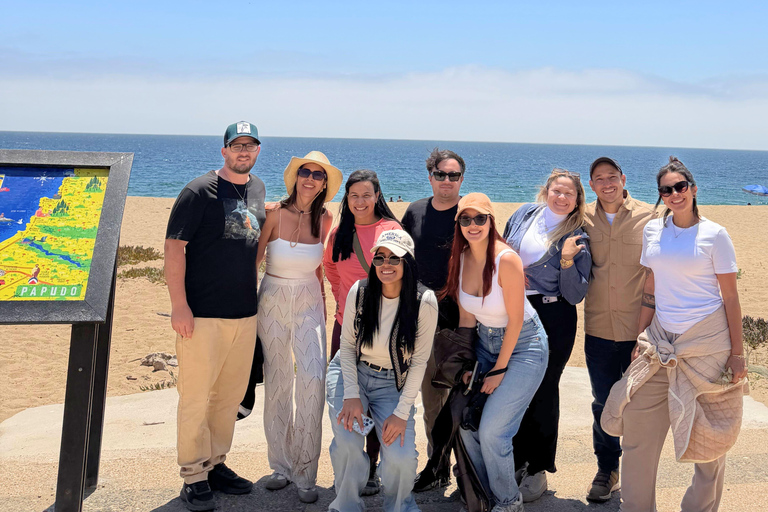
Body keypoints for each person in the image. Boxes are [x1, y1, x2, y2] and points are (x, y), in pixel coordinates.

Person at [602, 157, 748, 512]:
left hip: (707, 346)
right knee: (637, 428)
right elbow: (651, 286)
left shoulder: (715, 235)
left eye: (680, 187)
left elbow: (730, 297)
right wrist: (640, 337)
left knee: (709, 441)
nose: (674, 194)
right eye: (666, 190)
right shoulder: (654, 231)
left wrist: (737, 354)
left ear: (693, 189)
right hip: (659, 343)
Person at [165, 121, 266, 511]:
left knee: (227, 397)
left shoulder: (257, 189)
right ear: (224, 150)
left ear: (257, 151)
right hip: (202, 315)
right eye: (236, 145)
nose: (243, 152)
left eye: (250, 145)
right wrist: (180, 306)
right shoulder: (199, 190)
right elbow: (174, 248)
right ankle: (193, 474)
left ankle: (215, 463)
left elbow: (252, 242)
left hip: (244, 314)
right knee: (195, 397)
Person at [441, 193, 548, 512]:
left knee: (493, 431)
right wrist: (466, 363)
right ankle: (482, 496)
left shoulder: (506, 259)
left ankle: (508, 501)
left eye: (480, 218)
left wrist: (498, 371)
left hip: (524, 345)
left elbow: (515, 320)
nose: (473, 225)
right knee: (467, 423)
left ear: (491, 221)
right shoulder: (460, 258)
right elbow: (467, 319)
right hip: (484, 344)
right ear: (458, 224)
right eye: (465, 219)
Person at [326, 230, 439, 512]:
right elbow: (347, 346)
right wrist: (352, 395)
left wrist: (400, 413)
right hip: (351, 373)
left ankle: (400, 506)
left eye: (394, 258)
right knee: (348, 443)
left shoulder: (424, 301)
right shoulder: (360, 291)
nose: (385, 264)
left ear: (407, 262)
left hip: (393, 383)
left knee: (401, 457)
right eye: (380, 258)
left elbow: (419, 362)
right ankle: (347, 506)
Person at [502, 168, 591, 502]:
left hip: (554, 316)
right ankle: (515, 460)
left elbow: (575, 294)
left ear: (577, 200)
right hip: (514, 311)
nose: (562, 197)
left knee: (543, 389)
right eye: (557, 190)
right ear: (546, 191)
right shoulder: (524, 213)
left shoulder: (578, 235)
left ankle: (538, 469)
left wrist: (566, 260)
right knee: (514, 387)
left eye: (569, 193)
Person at [256, 151, 340, 504]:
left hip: (309, 300)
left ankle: (306, 472)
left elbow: (319, 265)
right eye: (305, 172)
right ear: (296, 177)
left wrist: (322, 302)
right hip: (272, 297)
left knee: (312, 380)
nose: (310, 179)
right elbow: (254, 260)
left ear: (324, 184)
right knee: (278, 380)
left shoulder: (326, 217)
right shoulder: (274, 213)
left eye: (318, 175)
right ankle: (281, 466)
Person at [323, 169, 402, 495]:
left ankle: (371, 465)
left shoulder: (391, 230)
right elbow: (330, 268)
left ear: (377, 196)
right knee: (348, 400)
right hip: (345, 327)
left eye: (366, 195)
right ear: (347, 198)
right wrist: (344, 299)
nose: (360, 201)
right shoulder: (340, 233)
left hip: (383, 331)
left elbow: (404, 272)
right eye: (354, 195)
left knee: (376, 400)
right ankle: (352, 466)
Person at [582, 157, 656, 502]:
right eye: (599, 178)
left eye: (612, 176)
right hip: (598, 328)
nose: (607, 183)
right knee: (603, 402)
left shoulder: (651, 216)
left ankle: (636, 472)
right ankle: (607, 469)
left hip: (639, 330)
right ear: (591, 185)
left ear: (623, 179)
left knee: (639, 405)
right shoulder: (581, 217)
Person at [402, 148, 465, 490]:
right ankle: (437, 464)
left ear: (461, 179)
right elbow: (401, 260)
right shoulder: (415, 211)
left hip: (463, 322)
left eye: (453, 175)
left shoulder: (470, 214)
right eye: (441, 174)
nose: (447, 180)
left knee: (462, 401)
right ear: (430, 177)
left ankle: (466, 471)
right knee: (431, 401)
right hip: (421, 319)